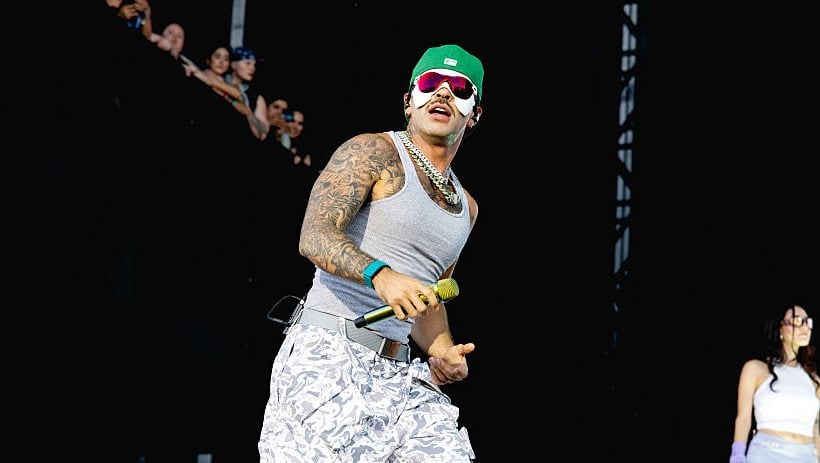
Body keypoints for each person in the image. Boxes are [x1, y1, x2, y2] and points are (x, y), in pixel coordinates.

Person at [258, 43, 484, 462]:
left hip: (400, 377)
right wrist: (381, 275)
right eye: (432, 82)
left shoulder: (466, 207)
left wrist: (442, 348)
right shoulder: (374, 150)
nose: (443, 94)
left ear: (475, 113)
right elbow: (315, 234)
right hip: (329, 355)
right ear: (409, 100)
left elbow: (426, 299)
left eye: (459, 88)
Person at [729, 303, 820, 462]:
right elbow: (743, 418)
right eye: (797, 321)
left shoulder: (814, 380)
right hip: (766, 454)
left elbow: (816, 427)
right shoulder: (755, 369)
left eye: (807, 322)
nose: (805, 327)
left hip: (807, 456)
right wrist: (737, 455)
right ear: (780, 328)